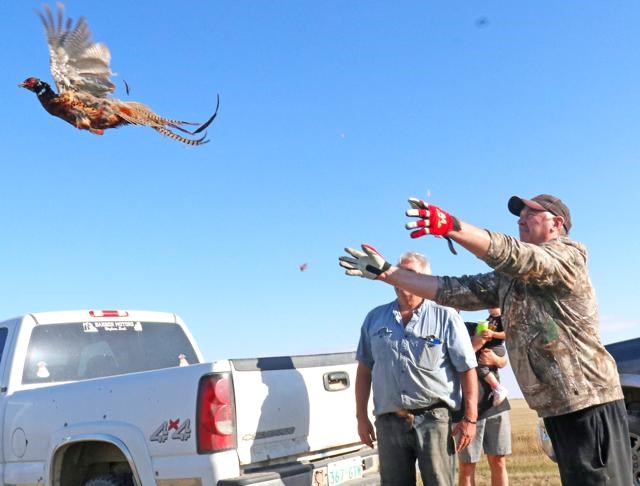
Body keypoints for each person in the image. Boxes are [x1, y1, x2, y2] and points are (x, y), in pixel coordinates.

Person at [339, 194, 632, 486]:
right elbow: (453, 290)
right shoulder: (510, 279)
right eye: (520, 216)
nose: (521, 220)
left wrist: (451, 226)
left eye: (532, 214)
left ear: (556, 224)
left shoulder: (567, 256)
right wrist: (388, 274)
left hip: (589, 400)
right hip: (559, 406)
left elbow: (513, 254)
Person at [355, 251, 478, 486]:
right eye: (398, 272)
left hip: (434, 419)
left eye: (409, 273)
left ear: (426, 279)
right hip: (389, 422)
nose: (401, 278)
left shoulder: (446, 316)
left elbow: (467, 368)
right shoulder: (375, 318)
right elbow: (364, 370)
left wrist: (470, 418)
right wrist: (361, 416)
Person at [457, 310, 512, 486]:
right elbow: (444, 365)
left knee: (498, 460)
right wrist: (474, 347)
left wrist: (496, 359)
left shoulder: (473, 327)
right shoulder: (439, 333)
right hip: (464, 408)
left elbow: (502, 356)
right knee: (466, 465)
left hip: (495, 403)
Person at [476, 309, 508, 407]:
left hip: (496, 348)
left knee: (480, 366)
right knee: (483, 366)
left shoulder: (503, 318)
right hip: (490, 346)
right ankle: (496, 389)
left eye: (492, 305)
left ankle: (498, 388)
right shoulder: (489, 318)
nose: (489, 308)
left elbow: (507, 333)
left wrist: (492, 334)